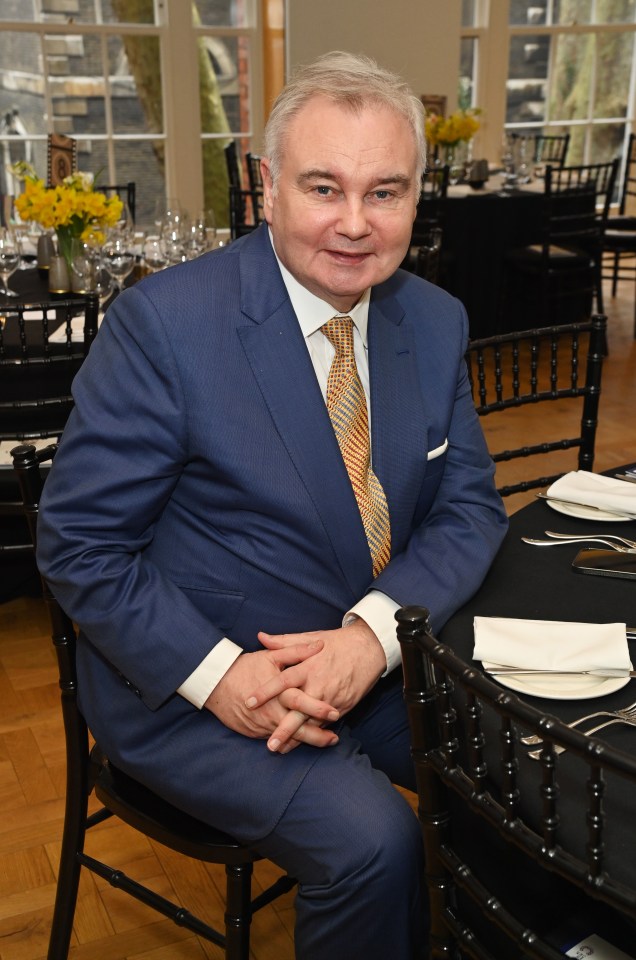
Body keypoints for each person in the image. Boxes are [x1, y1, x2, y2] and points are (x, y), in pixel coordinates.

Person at [37, 51, 508, 960]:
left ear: (418, 196)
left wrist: (369, 637)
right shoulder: (168, 327)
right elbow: (82, 543)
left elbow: (469, 510)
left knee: (529, 771)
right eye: (324, 187)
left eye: (386, 192)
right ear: (266, 185)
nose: (355, 224)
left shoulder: (434, 318)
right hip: (192, 678)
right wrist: (223, 678)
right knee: (374, 844)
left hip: (367, 657)